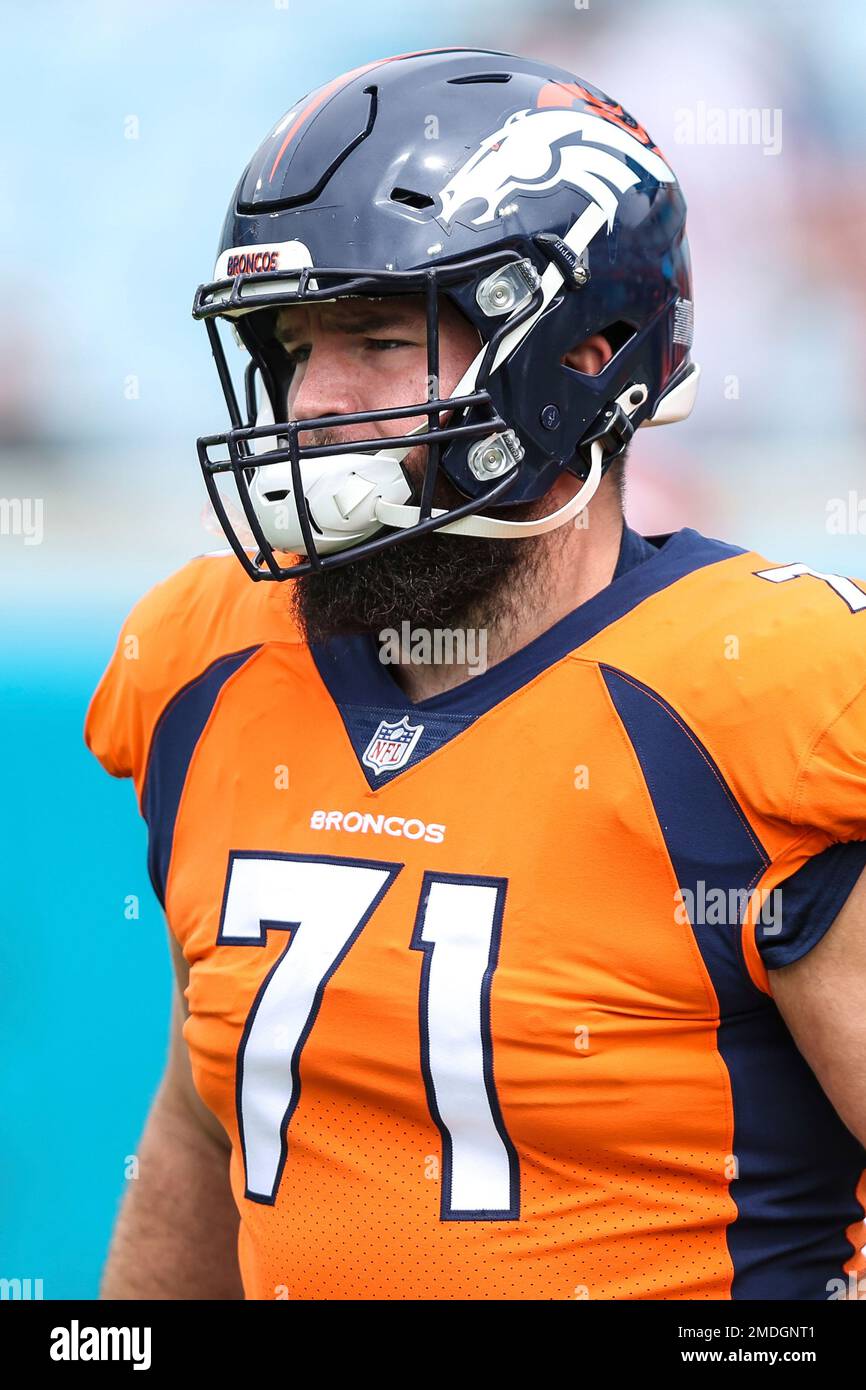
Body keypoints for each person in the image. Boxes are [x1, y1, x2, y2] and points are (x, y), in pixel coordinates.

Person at [85, 47, 866, 1301]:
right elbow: (208, 1116)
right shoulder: (207, 662)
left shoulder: (753, 696)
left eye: (379, 337)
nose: (309, 400)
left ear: (584, 350)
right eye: (290, 346)